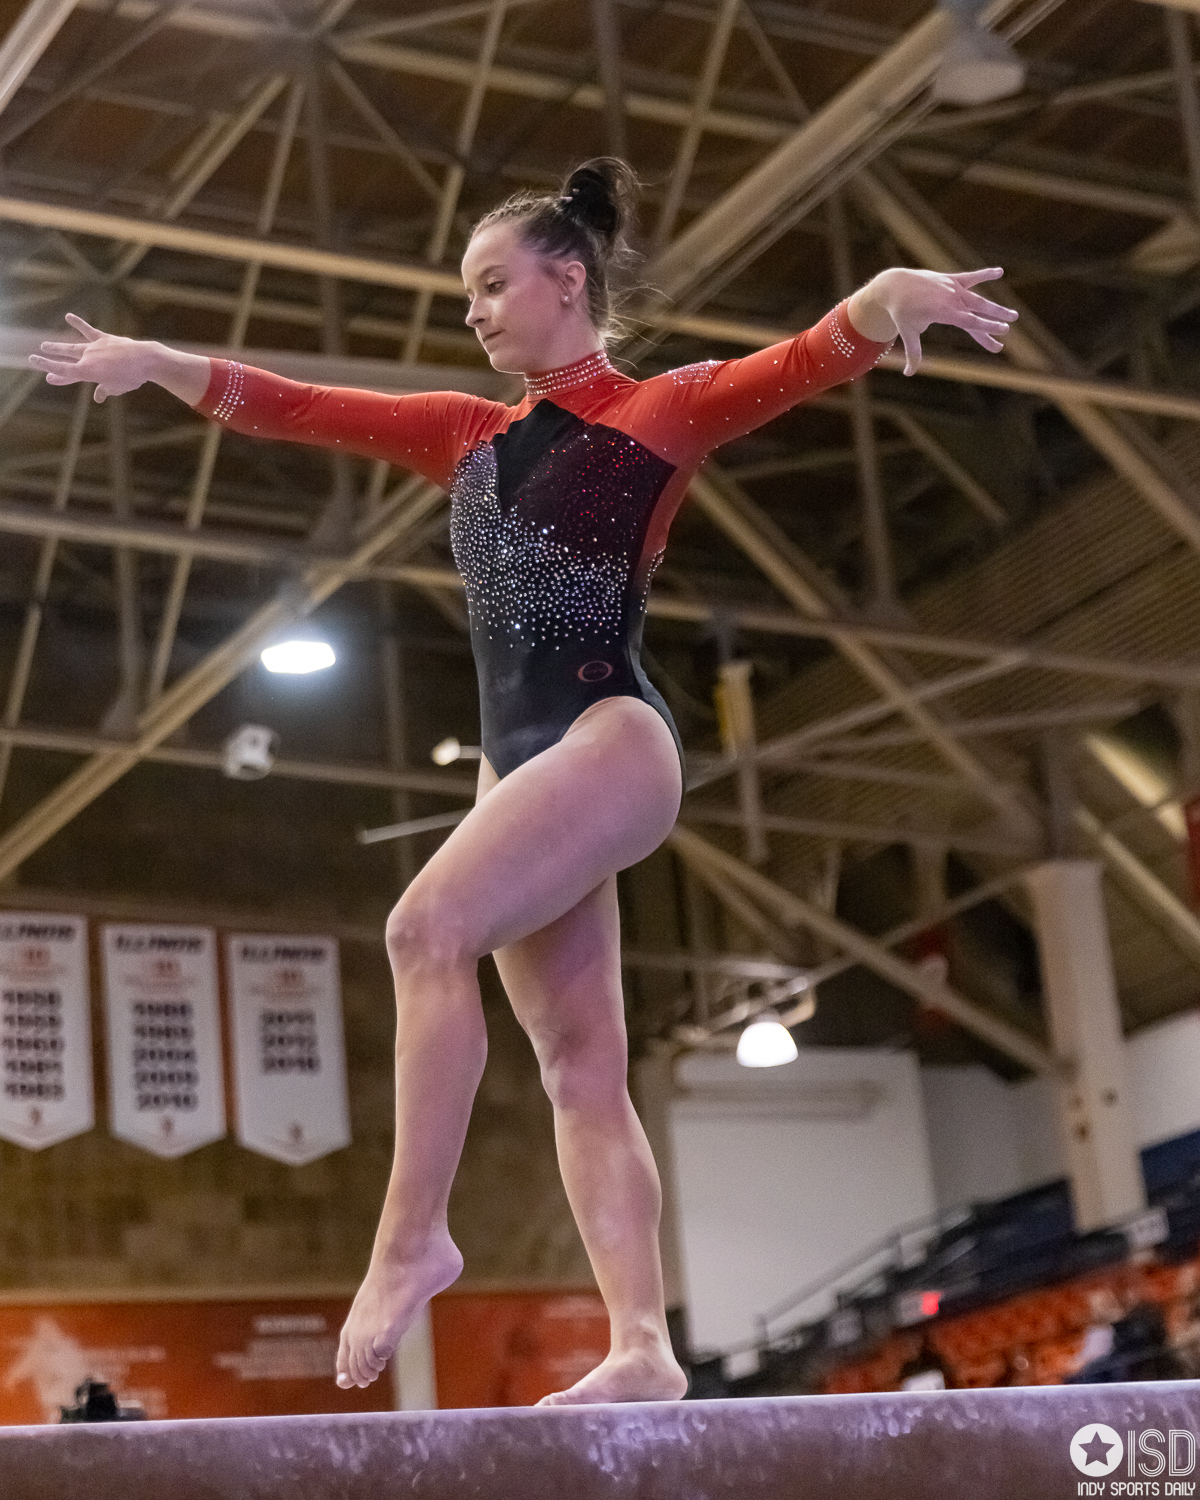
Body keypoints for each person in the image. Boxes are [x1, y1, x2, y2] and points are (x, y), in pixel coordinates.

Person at [30, 158, 1017, 1406]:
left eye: (494, 285)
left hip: (612, 739)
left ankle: (410, 1240)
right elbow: (298, 404)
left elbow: (813, 354)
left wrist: (888, 296)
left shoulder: (659, 411)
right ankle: (645, 1349)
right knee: (579, 1066)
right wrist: (159, 362)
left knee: (422, 926)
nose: (477, 311)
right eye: (467, 294)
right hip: (519, 770)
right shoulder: (468, 435)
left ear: (570, 278)